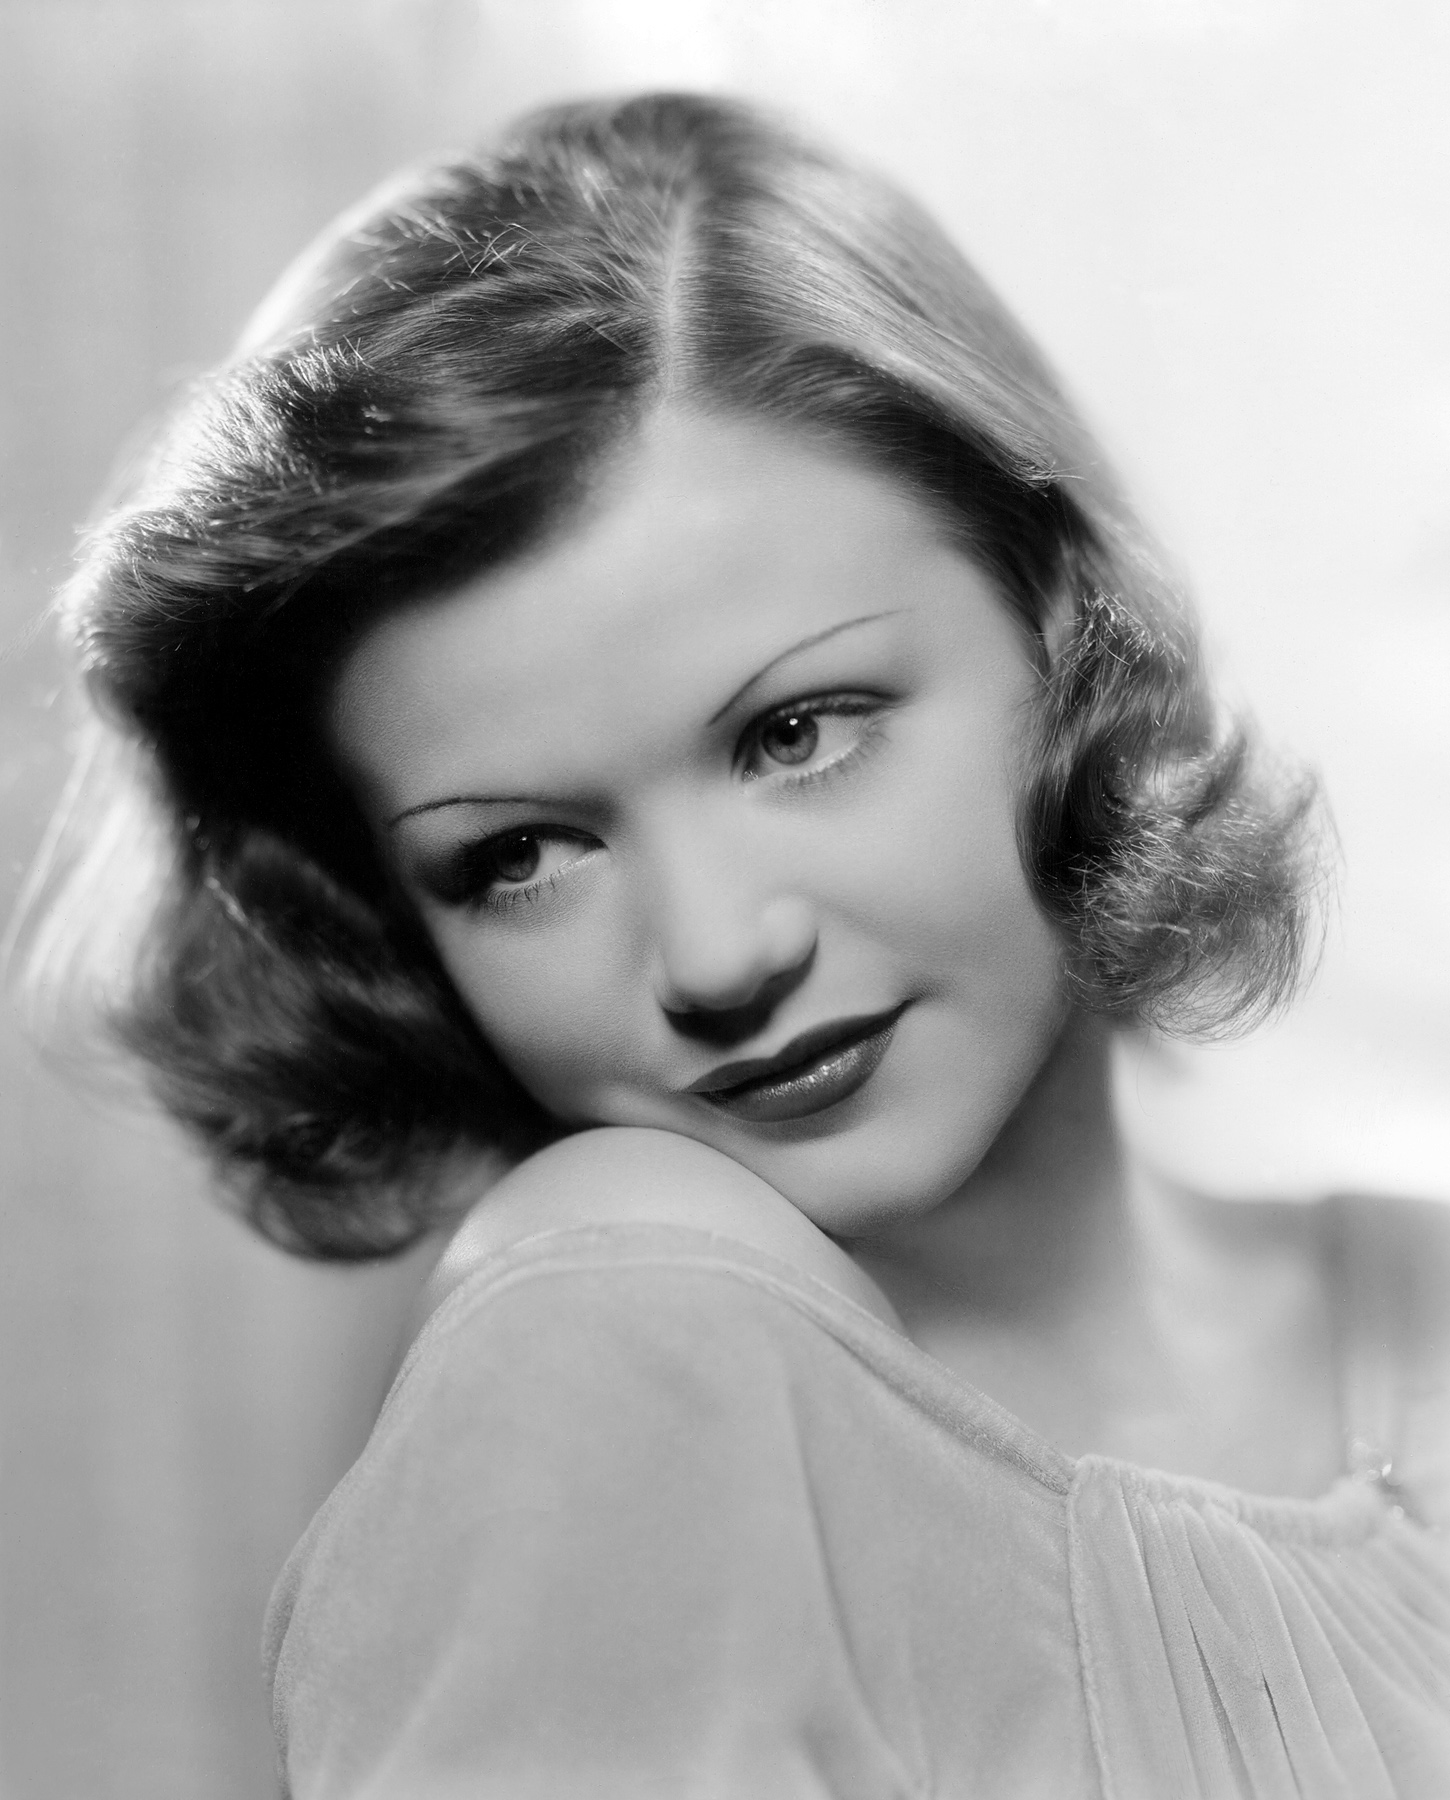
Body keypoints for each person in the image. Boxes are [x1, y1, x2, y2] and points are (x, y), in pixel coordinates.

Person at [47, 93, 1449, 1797]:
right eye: (516, 856)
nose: (716, 955)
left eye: (795, 733)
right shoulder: (616, 1333)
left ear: (1070, 626)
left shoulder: (1414, 1290)